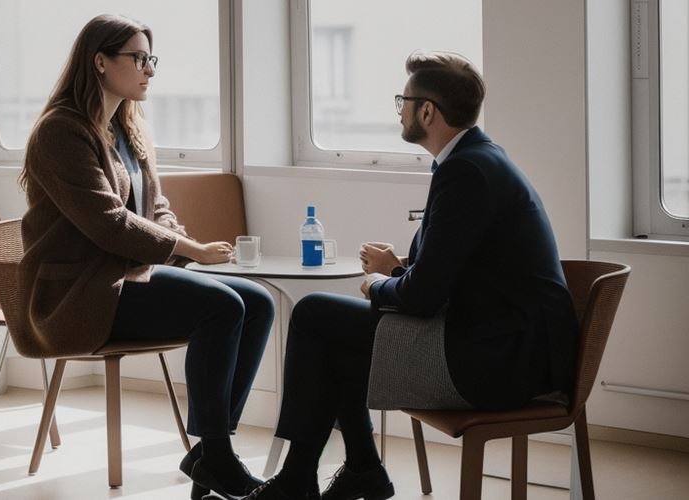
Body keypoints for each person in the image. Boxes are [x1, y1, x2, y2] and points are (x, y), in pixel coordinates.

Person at [246, 51, 579, 500]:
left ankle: (304, 477)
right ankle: (348, 470)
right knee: (337, 347)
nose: (399, 109)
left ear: (427, 111)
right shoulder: (479, 158)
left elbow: (423, 299)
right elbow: (457, 279)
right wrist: (400, 270)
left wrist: (377, 285)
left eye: (403, 99)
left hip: (495, 364)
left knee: (313, 315)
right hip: (504, 345)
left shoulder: (465, 172)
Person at [18, 14, 272, 500]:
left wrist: (177, 239)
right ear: (100, 62)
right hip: (82, 293)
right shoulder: (60, 133)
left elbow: (155, 206)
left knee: (256, 301)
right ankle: (216, 456)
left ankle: (207, 453)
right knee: (223, 306)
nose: (149, 69)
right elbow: (108, 222)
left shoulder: (128, 128)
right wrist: (190, 249)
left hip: (129, 277)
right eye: (138, 58)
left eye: (150, 58)